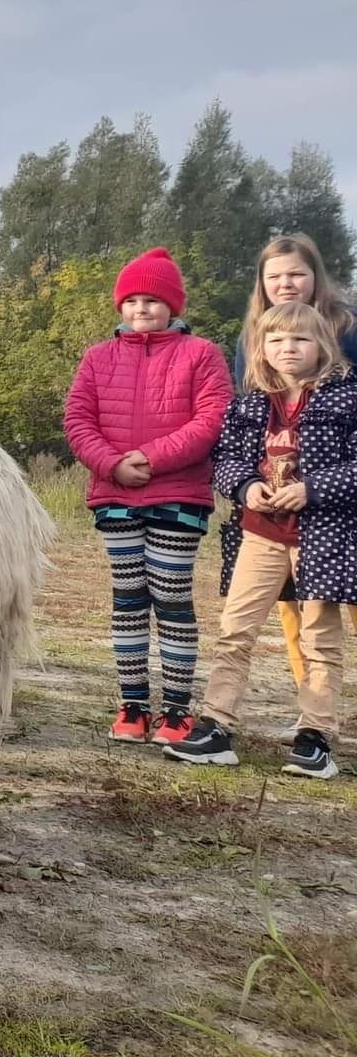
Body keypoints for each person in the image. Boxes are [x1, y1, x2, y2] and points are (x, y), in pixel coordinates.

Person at [165, 302, 357, 779]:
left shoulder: (346, 398)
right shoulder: (250, 401)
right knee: (235, 631)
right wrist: (248, 487)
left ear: (324, 346)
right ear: (260, 349)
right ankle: (216, 725)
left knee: (319, 639)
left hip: (323, 534)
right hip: (259, 533)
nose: (288, 349)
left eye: (300, 340)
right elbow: (227, 458)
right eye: (276, 340)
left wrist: (311, 489)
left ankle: (315, 736)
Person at [62, 248, 230, 744]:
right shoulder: (97, 358)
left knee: (172, 594)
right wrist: (112, 463)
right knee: (129, 599)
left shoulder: (202, 355)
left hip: (178, 494)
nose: (141, 308)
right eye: (132, 299)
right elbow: (77, 422)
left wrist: (152, 459)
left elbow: (211, 420)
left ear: (172, 306)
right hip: (116, 497)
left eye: (152, 300)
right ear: (120, 305)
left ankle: (176, 710)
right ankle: (132, 704)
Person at [231, 233, 357, 733]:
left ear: (315, 277)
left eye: (297, 274)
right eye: (275, 276)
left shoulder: (347, 328)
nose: (286, 284)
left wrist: (324, 481)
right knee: (295, 610)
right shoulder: (251, 338)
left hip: (339, 498)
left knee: (343, 610)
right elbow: (250, 406)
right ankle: (315, 716)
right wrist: (247, 483)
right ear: (263, 283)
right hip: (279, 509)